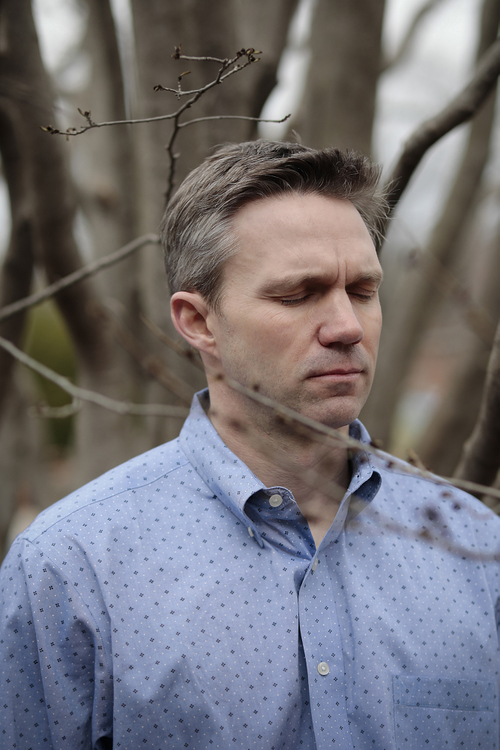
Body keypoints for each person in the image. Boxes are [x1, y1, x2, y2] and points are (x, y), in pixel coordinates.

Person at [1, 140, 499, 750]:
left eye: (363, 291)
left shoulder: (475, 550)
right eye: (298, 294)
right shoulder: (70, 570)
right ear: (198, 321)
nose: (347, 327)